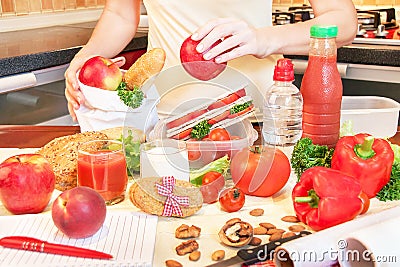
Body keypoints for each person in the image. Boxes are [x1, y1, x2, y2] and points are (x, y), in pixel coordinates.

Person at [65, 0, 357, 121]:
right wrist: (85, 59)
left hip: (257, 118)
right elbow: (120, 16)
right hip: (167, 121)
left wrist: (263, 39)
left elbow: (343, 21)